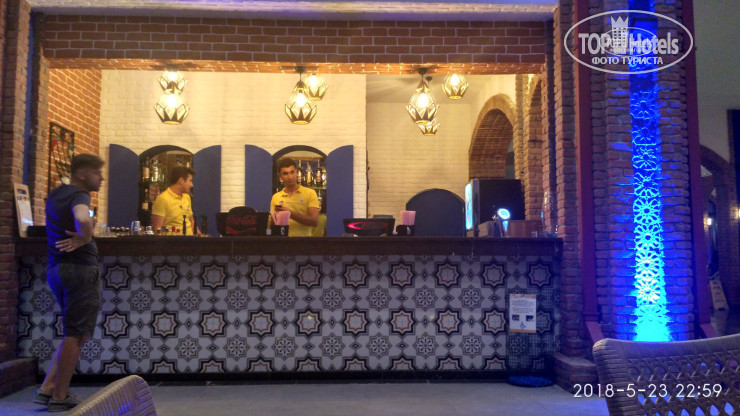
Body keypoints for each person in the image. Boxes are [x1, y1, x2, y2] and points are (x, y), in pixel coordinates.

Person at [35, 154, 104, 412]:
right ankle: (60, 396)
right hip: (79, 270)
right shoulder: (79, 195)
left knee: (73, 332)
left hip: (57, 268)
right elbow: (83, 218)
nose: (102, 178)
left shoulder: (56, 194)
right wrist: (85, 237)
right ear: (82, 174)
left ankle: (48, 388)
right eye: (97, 172)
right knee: (77, 334)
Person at [269, 158, 319, 236]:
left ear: (296, 173)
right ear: (280, 176)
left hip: (303, 241)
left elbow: (314, 221)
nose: (290, 177)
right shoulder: (276, 197)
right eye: (285, 173)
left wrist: (290, 214)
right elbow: (273, 224)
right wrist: (275, 217)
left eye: (292, 172)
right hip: (282, 241)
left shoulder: (310, 193)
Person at [151, 166, 200, 235]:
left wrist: (200, 237)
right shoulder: (162, 199)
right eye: (190, 181)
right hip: (173, 240)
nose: (192, 185)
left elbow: (191, 222)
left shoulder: (186, 197)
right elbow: (157, 229)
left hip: (190, 240)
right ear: (181, 180)